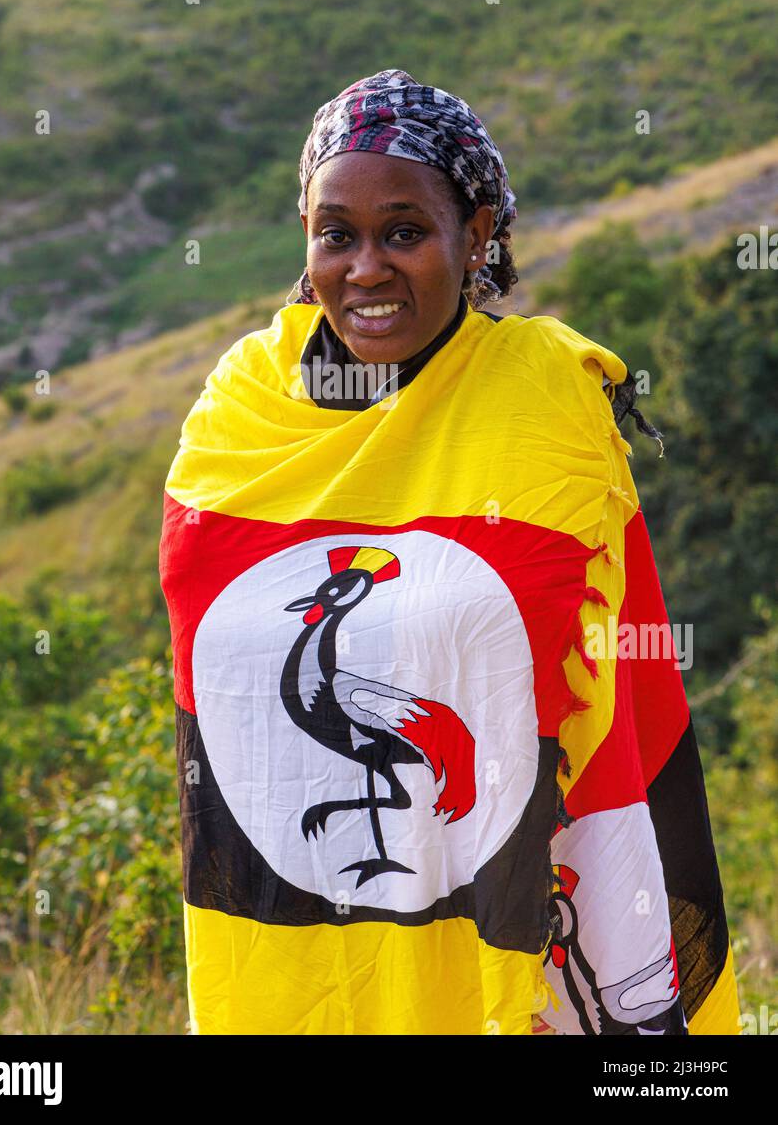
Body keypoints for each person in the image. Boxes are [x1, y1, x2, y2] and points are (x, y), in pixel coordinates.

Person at [159, 67, 739, 1036]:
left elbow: (606, 683)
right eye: (336, 233)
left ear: (476, 235)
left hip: (522, 903)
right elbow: (211, 678)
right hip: (291, 921)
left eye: (405, 231)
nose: (367, 267)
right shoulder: (245, 406)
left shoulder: (543, 398)